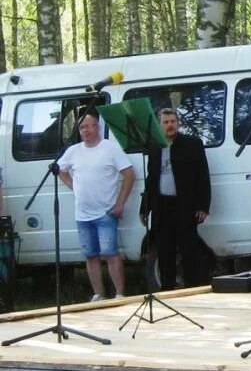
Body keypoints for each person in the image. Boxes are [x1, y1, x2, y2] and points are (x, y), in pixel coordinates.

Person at [57, 109, 134, 301]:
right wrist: (71, 185)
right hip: (82, 215)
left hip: (106, 212)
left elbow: (129, 174)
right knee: (90, 255)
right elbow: (60, 169)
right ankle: (98, 294)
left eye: (89, 126)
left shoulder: (109, 148)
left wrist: (120, 203)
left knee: (110, 253)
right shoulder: (73, 151)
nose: (85, 130)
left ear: (97, 127)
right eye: (82, 127)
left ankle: (120, 294)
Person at [142, 107, 213, 289]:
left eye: (173, 121)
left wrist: (203, 206)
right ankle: (167, 290)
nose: (170, 125)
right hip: (162, 206)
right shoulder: (155, 147)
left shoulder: (192, 144)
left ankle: (193, 289)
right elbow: (150, 179)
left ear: (178, 123)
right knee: (165, 252)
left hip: (185, 206)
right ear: (160, 125)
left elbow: (202, 176)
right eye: (165, 122)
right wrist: (144, 208)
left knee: (189, 251)